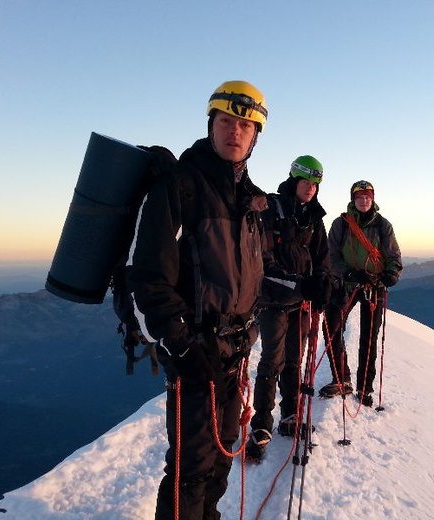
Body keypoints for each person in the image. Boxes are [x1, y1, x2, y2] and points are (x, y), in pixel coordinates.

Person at [128, 80, 269, 520]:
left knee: (223, 457)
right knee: (190, 467)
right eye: (227, 122)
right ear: (211, 125)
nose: (235, 132)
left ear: (256, 136)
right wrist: (184, 347)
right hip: (194, 355)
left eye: (245, 126)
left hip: (232, 353)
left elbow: (247, 276)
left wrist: (251, 329)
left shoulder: (250, 199)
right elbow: (148, 278)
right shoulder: (180, 187)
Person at [245, 155, 331, 462]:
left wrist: (321, 285)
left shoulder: (314, 218)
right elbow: (263, 264)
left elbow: (322, 259)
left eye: (316, 184)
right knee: (272, 362)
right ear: (294, 181)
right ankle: (261, 425)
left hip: (300, 303)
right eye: (306, 182)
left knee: (295, 360)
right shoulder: (271, 211)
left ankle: (289, 416)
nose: (311, 189)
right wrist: (301, 284)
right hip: (272, 301)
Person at [319, 180, 402, 407]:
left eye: (367, 197)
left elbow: (393, 255)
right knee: (332, 327)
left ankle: (365, 387)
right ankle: (342, 378)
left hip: (374, 286)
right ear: (353, 200)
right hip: (346, 284)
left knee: (369, 338)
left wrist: (391, 275)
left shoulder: (383, 225)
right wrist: (349, 274)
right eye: (359, 197)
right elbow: (331, 255)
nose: (364, 201)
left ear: (372, 199)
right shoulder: (342, 224)